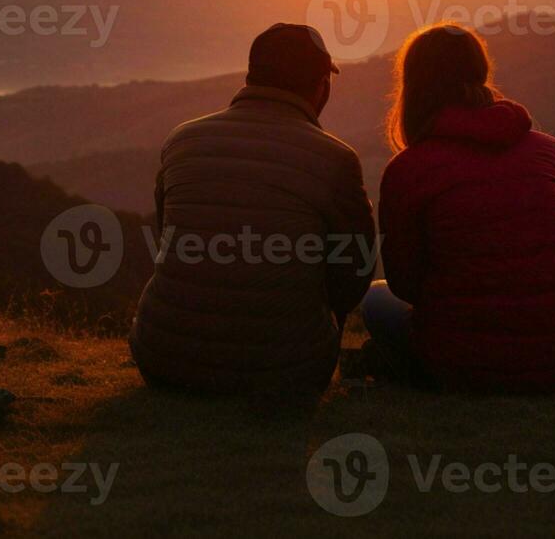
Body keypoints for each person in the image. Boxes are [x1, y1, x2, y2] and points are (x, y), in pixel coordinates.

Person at [130, 23, 375, 396]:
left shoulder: (182, 141)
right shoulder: (336, 159)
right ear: (321, 84)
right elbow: (355, 274)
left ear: (251, 74)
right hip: (284, 374)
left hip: (164, 360)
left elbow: (167, 236)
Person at [363, 24, 555, 392]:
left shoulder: (409, 169)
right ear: (481, 71)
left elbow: (405, 283)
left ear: (414, 85)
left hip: (459, 364)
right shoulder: (551, 152)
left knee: (376, 297)